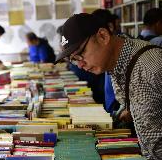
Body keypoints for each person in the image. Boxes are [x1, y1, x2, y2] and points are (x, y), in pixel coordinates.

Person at [55, 13, 162, 159]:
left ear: (103, 36)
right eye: (74, 60)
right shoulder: (115, 66)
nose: (80, 65)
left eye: (80, 54)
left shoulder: (151, 66)